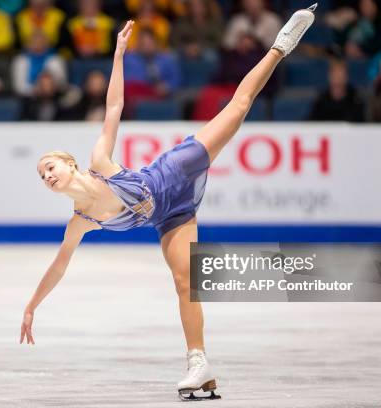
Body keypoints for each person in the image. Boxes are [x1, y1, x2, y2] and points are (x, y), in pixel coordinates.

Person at [21, 5, 318, 400]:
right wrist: (31, 306)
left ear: (69, 163)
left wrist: (118, 55)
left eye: (50, 166)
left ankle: (280, 45)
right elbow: (58, 267)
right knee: (185, 281)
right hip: (172, 215)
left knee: (238, 107)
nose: (48, 175)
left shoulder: (99, 164)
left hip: (174, 171)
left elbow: (113, 108)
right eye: (42, 176)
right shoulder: (80, 222)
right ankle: (199, 363)